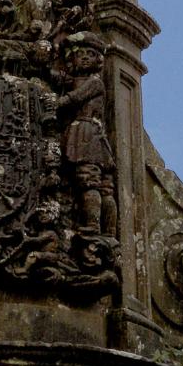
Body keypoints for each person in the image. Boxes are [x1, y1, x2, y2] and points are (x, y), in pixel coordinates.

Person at [60, 33, 117, 237]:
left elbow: (75, 97)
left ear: (98, 60)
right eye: (79, 54)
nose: (84, 57)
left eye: (90, 54)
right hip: (84, 131)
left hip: (87, 133)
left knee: (90, 180)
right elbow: (65, 80)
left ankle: (97, 226)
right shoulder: (79, 79)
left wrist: (57, 104)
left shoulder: (95, 82)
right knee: (100, 184)